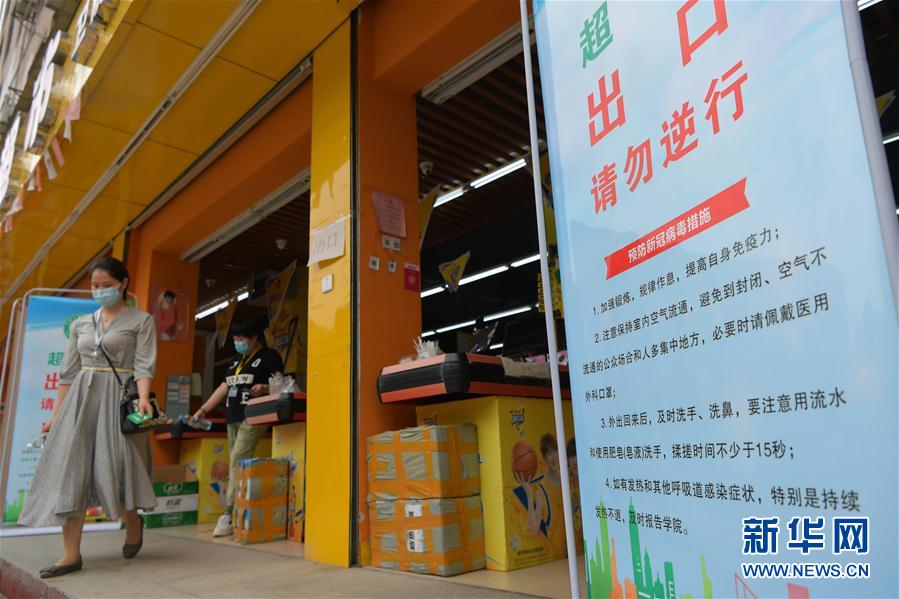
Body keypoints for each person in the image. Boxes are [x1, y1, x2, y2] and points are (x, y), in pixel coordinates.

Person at [19, 257, 158, 578]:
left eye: (106, 285)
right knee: (72, 472)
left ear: (123, 284)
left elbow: (143, 365)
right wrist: (55, 417)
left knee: (119, 467)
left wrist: (144, 398)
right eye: (95, 286)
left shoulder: (141, 321)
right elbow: (68, 374)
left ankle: (132, 520)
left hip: (118, 400)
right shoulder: (81, 323)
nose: (99, 291)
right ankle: (71, 555)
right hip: (80, 403)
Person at [193, 318, 283, 537]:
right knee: (238, 463)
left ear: (254, 337)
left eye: (241, 339)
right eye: (235, 339)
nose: (237, 343)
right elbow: (224, 387)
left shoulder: (269, 356)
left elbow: (282, 384)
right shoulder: (236, 360)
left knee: (236, 460)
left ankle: (228, 513)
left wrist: (265, 388)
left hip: (254, 416)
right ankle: (240, 512)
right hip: (232, 416)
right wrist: (203, 410)